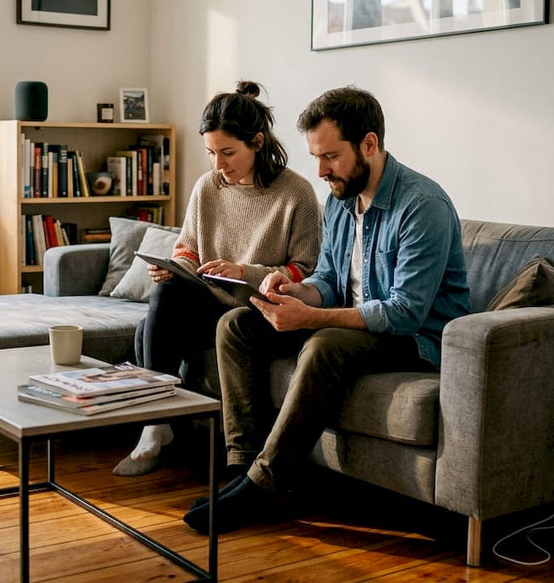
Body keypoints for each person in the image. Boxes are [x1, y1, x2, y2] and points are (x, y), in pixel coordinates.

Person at [183, 86, 470, 532]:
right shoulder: (340, 200)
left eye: (331, 156)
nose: (320, 170)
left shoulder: (421, 206)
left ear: (369, 144)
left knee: (323, 345)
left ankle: (267, 485)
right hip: (355, 324)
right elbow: (331, 282)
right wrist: (294, 291)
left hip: (415, 341)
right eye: (316, 156)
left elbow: (404, 313)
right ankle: (242, 467)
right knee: (237, 324)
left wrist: (312, 317)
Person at [112, 81, 322, 476]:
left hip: (258, 311)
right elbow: (188, 249)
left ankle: (159, 428)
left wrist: (245, 271)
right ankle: (158, 425)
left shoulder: (297, 194)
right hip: (208, 301)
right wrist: (172, 267)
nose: (218, 165)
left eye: (228, 153)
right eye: (211, 153)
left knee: (147, 331)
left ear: (257, 142)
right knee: (165, 298)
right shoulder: (207, 187)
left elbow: (305, 272)